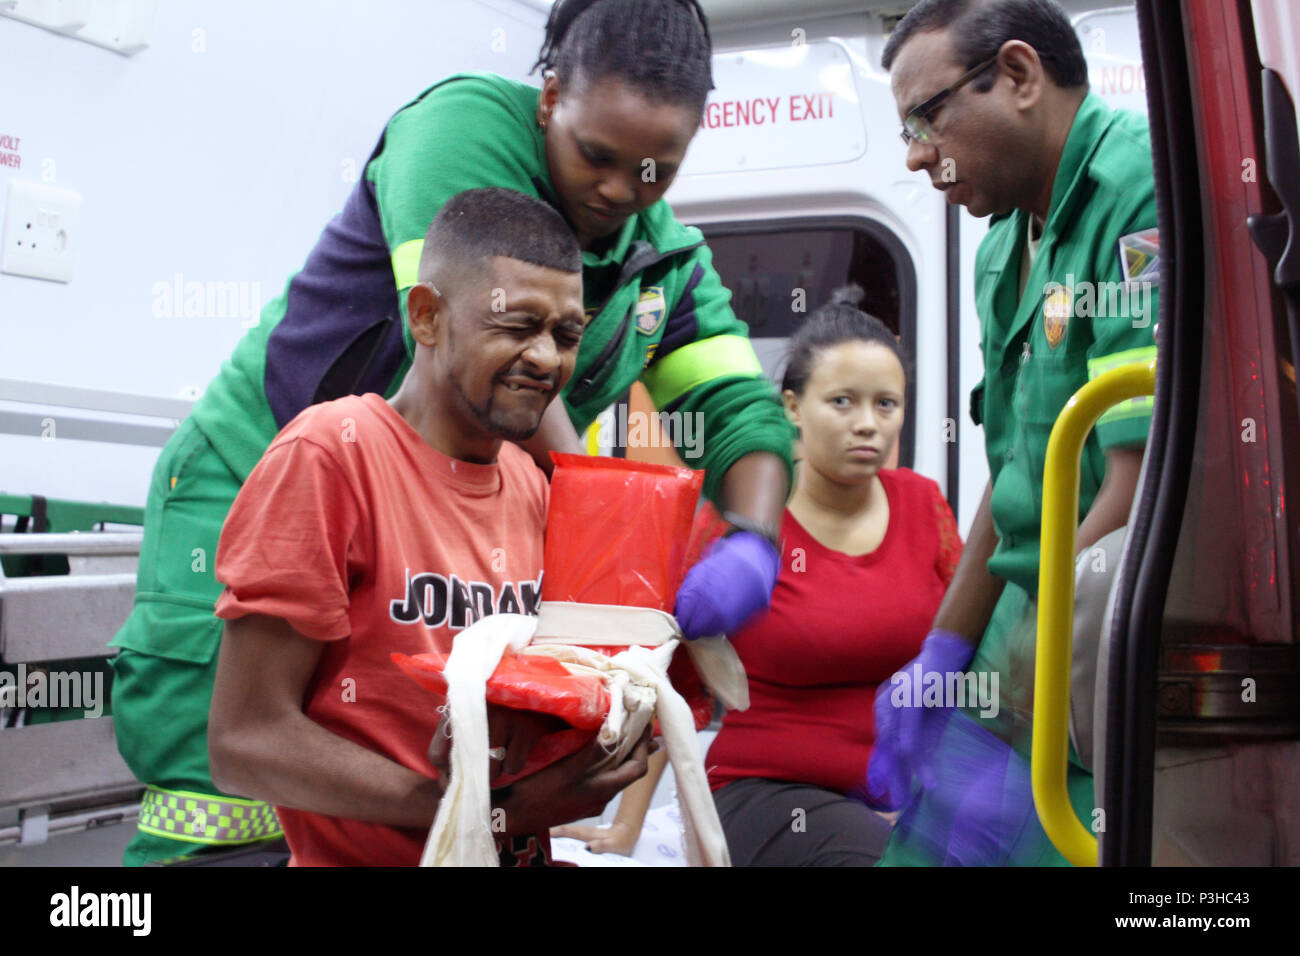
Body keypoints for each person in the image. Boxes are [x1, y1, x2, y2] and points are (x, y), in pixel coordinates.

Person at [110, 0, 793, 866]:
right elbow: (481, 343)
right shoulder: (460, 131)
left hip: (460, 505)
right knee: (232, 815)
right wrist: (602, 538)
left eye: (657, 169)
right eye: (597, 156)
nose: (622, 191)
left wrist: (757, 543)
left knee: (430, 745)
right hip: (262, 479)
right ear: (549, 101)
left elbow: (739, 409)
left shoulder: (662, 255)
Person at [204, 188, 653, 867]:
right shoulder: (333, 456)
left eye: (566, 335)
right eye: (516, 325)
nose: (546, 358)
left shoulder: (533, 486)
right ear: (427, 316)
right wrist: (485, 811)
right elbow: (244, 742)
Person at [867, 0, 1158, 865]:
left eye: (928, 116)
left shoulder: (1140, 188)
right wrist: (946, 650)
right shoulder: (999, 251)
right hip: (1019, 636)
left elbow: (1134, 478)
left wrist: (1037, 657)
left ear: (1022, 76)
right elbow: (1018, 470)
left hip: (1096, 641)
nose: (918, 154)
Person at [693, 292, 960, 866]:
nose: (868, 424)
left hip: (904, 793)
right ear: (792, 406)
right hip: (766, 789)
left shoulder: (922, 504)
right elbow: (668, 677)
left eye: (886, 404)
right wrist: (628, 825)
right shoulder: (747, 517)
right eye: (842, 401)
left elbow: (969, 643)